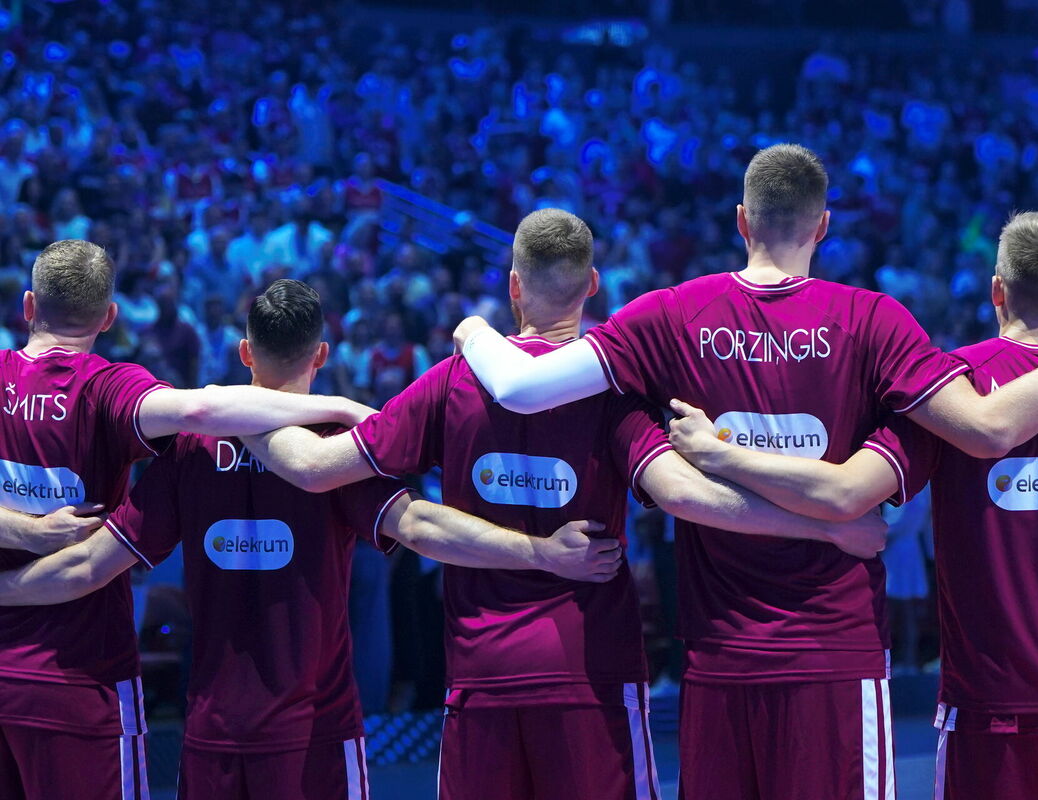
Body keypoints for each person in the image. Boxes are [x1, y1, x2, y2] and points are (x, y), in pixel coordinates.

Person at [450, 146, 1038, 799]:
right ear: (823, 225)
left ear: (741, 220)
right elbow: (988, 427)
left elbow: (520, 389)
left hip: (718, 655)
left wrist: (474, 330)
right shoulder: (873, 320)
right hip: (836, 653)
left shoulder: (670, 315)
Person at [242, 209, 886, 800]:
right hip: (592, 675)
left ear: (514, 284)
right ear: (593, 285)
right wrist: (826, 529)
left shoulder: (451, 381)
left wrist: (238, 403)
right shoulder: (613, 395)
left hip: (481, 676)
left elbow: (313, 467)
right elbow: (688, 496)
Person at [0, 278, 630, 800]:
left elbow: (86, 565)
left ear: (245, 352)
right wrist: (540, 551)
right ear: (321, 355)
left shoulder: (188, 453)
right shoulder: (340, 453)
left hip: (211, 735)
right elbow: (424, 526)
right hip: (316, 738)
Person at [667, 212, 1038, 800]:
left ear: (996, 290)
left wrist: (722, 451)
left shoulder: (952, 386)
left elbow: (846, 491)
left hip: (986, 711)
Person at [0, 240, 376, 800]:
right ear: (109, 317)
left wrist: (19, 536)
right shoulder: (110, 388)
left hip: (191, 726)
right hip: (88, 678)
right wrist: (343, 409)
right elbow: (200, 409)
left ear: (29, 306)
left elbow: (87, 562)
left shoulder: (187, 450)